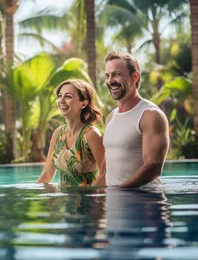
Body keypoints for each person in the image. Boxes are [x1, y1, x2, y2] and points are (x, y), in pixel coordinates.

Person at [102, 51, 169, 188]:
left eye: (117, 74)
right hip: (116, 202)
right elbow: (105, 171)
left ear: (135, 77)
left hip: (144, 200)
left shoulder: (150, 115)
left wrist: (120, 191)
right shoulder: (111, 117)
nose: (110, 81)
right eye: (107, 76)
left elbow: (154, 166)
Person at [36, 79, 105, 186]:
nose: (61, 100)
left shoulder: (91, 134)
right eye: (59, 96)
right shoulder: (58, 133)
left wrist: (92, 198)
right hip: (65, 200)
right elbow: (47, 174)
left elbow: (105, 175)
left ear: (83, 104)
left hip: (88, 200)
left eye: (68, 96)